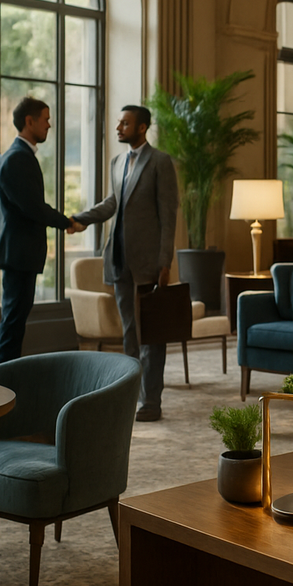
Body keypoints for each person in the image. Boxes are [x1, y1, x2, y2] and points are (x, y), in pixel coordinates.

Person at [71, 105, 179, 422]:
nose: (119, 127)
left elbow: (168, 214)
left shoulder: (160, 162)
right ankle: (133, 396)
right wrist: (79, 219)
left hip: (148, 263)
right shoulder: (118, 162)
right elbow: (112, 204)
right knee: (129, 333)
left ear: (142, 127)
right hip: (118, 261)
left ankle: (152, 402)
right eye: (119, 122)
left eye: (126, 122)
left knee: (151, 333)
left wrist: (164, 261)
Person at [0, 97, 78, 364]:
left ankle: (3, 379)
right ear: (29, 121)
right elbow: (33, 208)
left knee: (13, 320)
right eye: (46, 119)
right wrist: (67, 222)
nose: (49, 125)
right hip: (18, 253)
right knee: (13, 322)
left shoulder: (12, 156)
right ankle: (2, 383)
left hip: (16, 252)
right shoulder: (17, 159)